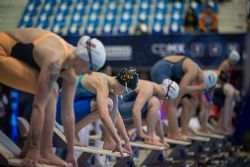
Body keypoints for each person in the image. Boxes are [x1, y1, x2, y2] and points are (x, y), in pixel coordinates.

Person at [0, 28, 106, 167]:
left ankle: (43, 151)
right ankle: (43, 152)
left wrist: (71, 152)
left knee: (53, 91)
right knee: (51, 92)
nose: (91, 73)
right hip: (2, 52)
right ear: (83, 57)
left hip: (12, 57)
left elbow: (68, 113)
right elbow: (39, 106)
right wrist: (33, 151)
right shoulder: (56, 58)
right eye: (92, 67)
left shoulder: (71, 74)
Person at [56, 67, 139, 157]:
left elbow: (117, 115)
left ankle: (109, 142)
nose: (123, 94)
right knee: (108, 104)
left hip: (70, 108)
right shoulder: (101, 82)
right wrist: (118, 140)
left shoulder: (110, 87)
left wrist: (126, 141)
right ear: (123, 85)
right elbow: (103, 115)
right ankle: (72, 132)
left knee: (112, 101)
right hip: (61, 111)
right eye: (126, 91)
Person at [150, 55, 217, 140]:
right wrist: (200, 87)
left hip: (170, 74)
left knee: (191, 102)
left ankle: (182, 130)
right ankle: (174, 133)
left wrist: (202, 108)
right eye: (202, 84)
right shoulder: (194, 70)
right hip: (161, 71)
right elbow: (182, 88)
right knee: (171, 100)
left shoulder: (199, 75)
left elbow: (198, 92)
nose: (200, 85)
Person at [118, 79, 179, 147]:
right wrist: (141, 133)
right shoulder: (149, 88)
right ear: (164, 90)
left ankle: (123, 130)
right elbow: (135, 110)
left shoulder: (158, 96)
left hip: (122, 112)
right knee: (154, 101)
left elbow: (157, 120)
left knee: (153, 116)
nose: (165, 99)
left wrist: (163, 139)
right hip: (118, 110)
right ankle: (150, 138)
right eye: (167, 97)